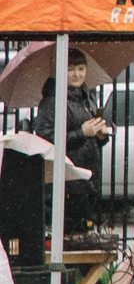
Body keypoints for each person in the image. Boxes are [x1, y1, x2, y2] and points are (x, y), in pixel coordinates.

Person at [35, 50, 111, 247]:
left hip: (87, 181)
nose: (77, 74)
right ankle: (94, 279)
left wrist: (100, 135)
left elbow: (88, 138)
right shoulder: (52, 101)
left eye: (81, 68)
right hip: (67, 184)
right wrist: (82, 133)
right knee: (75, 242)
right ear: (60, 71)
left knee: (84, 240)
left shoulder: (86, 98)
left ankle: (92, 278)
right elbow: (45, 138)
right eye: (70, 69)